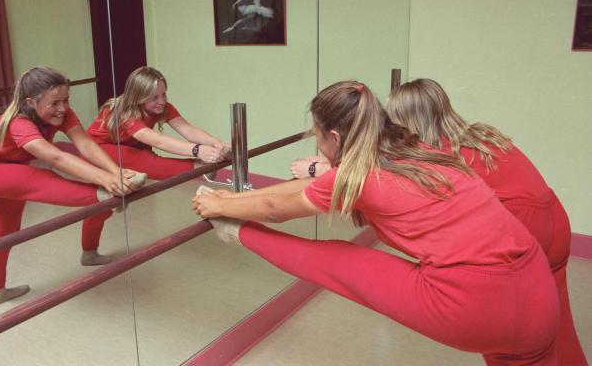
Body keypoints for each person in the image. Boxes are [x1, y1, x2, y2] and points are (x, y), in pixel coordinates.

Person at [193, 81, 560, 365]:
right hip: (538, 291)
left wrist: (221, 207)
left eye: (317, 137)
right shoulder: (416, 150)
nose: (318, 146)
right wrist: (230, 199)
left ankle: (237, 233)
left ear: (334, 138)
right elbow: (308, 188)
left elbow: (277, 206)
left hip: (474, 302)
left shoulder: (362, 175)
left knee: (338, 261)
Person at [386, 78, 587, 365]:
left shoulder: (438, 156)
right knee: (557, 327)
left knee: (509, 339)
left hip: (524, 231)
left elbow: (390, 184)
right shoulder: (479, 135)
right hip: (555, 221)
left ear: (406, 121)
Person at [0, 66, 144, 307]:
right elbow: (56, 158)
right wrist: (105, 181)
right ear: (31, 102)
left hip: (12, 168)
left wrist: (116, 172)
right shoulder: (18, 121)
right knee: (36, 178)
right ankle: (101, 195)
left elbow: (85, 143)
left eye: (66, 100)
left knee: (6, 230)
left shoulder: (62, 113)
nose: (62, 108)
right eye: (54, 103)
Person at [87, 66, 229, 181]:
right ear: (139, 97)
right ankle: (196, 168)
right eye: (154, 97)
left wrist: (216, 143)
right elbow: (158, 141)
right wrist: (197, 150)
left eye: (164, 94)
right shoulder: (125, 113)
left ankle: (197, 167)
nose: (162, 101)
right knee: (145, 160)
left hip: (130, 145)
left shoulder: (163, 107)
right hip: (97, 149)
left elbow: (188, 130)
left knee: (107, 204)